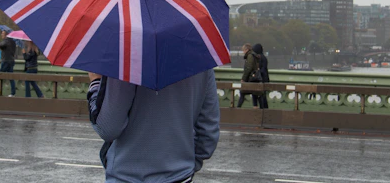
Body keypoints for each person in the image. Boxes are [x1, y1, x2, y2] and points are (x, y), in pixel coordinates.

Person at [87, 69, 220, 183]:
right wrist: (185, 166)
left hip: (127, 176)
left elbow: (107, 128)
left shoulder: (127, 58)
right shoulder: (202, 62)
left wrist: (96, 83)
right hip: (180, 175)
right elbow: (208, 133)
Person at [237, 43, 262, 108]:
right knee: (256, 94)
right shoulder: (254, 55)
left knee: (242, 92)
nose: (243, 52)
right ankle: (257, 108)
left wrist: (243, 78)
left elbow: (248, 68)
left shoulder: (250, 56)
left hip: (251, 78)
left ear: (247, 49)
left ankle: (237, 108)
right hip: (255, 78)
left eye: (243, 50)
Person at [252, 43, 269, 109]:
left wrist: (257, 72)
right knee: (262, 96)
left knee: (261, 96)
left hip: (261, 79)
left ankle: (263, 108)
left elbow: (263, 69)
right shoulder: (264, 58)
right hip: (264, 79)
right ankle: (264, 108)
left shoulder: (260, 58)